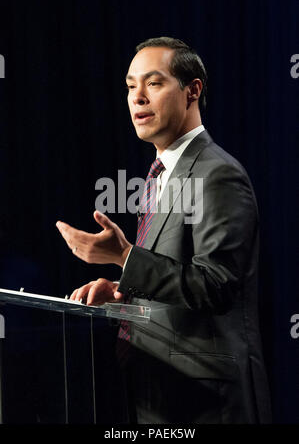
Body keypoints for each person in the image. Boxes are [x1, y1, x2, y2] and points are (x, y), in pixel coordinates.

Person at [56, 37, 272, 424]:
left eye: (153, 84)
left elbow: (215, 286)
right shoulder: (161, 174)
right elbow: (174, 277)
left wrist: (124, 256)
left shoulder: (217, 174)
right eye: (130, 86)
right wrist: (123, 292)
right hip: (159, 392)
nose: (137, 97)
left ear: (193, 91)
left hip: (208, 402)